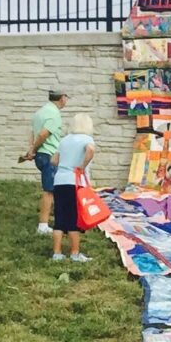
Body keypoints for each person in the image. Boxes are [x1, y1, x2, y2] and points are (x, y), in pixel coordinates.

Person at [18, 88, 67, 235]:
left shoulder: (40, 112)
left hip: (41, 154)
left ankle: (59, 220)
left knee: (55, 190)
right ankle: (43, 225)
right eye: (66, 97)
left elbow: (33, 133)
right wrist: (33, 149)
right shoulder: (54, 114)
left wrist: (32, 150)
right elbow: (43, 134)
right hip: (49, 155)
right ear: (62, 98)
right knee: (49, 191)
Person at [49, 112, 96, 263]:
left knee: (59, 217)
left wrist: (65, 164)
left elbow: (54, 160)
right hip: (75, 182)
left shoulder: (64, 140)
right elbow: (90, 150)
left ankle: (57, 253)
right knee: (73, 219)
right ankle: (75, 253)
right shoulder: (87, 139)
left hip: (59, 181)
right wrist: (82, 166)